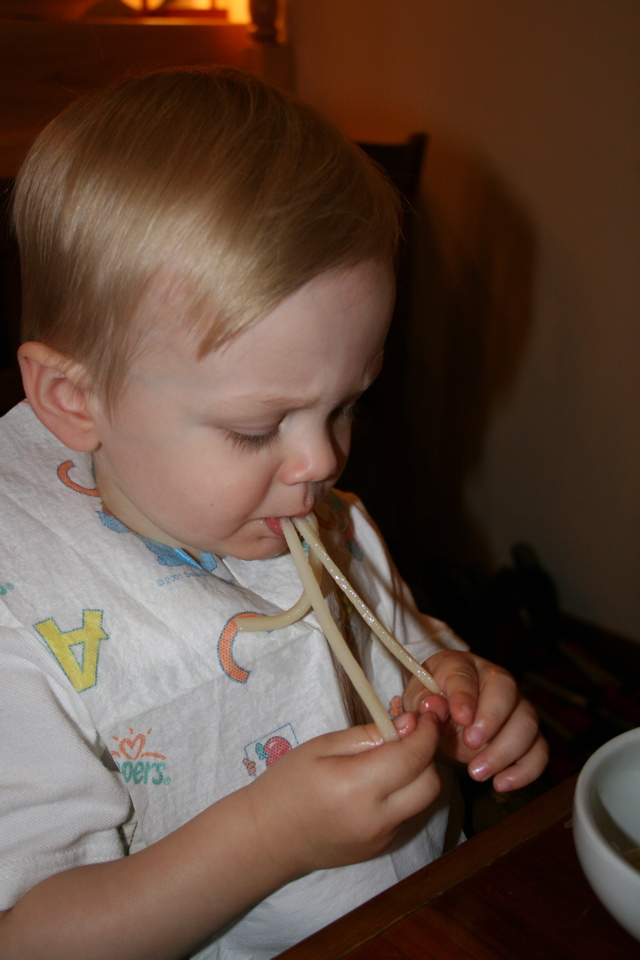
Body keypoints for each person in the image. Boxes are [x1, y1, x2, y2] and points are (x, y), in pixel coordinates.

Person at [0, 66, 547, 960]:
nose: (323, 460)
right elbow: (27, 938)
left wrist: (454, 690)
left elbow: (407, 648)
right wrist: (268, 836)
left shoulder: (311, 513)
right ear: (73, 397)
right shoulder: (17, 619)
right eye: (258, 427)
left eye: (345, 405)